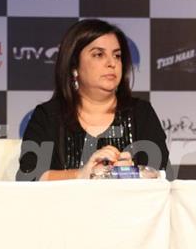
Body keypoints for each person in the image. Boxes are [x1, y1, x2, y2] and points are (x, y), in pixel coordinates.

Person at [17, 19, 170, 181]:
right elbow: (29, 178)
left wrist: (134, 173)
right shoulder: (48, 116)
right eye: (99, 54)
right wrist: (83, 174)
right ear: (74, 66)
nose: (112, 63)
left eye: (117, 55)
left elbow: (162, 176)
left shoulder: (141, 113)